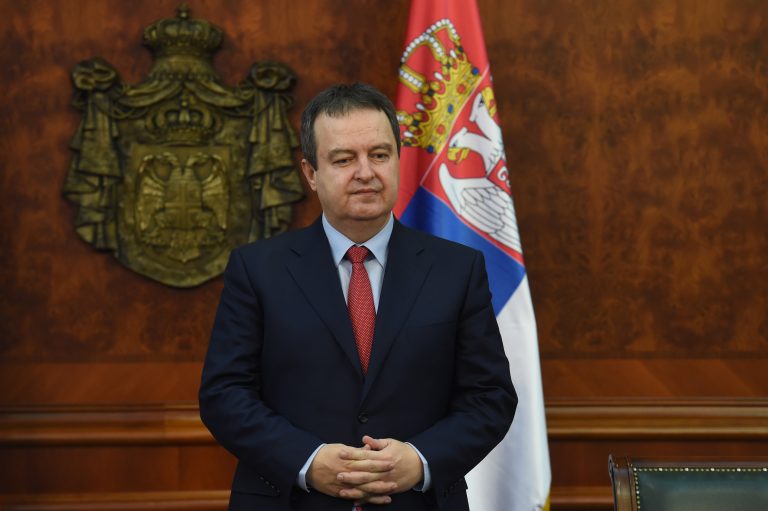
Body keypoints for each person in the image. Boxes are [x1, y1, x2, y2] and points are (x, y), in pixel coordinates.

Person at [199, 82, 517, 511]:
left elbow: (490, 397)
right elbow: (224, 394)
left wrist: (420, 460)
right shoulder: (257, 270)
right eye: (344, 159)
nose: (365, 172)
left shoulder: (458, 269)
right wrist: (308, 461)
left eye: (379, 155)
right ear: (311, 173)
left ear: (398, 161)